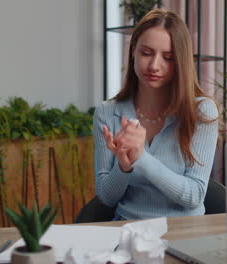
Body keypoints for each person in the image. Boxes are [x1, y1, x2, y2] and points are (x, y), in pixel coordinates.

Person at [93, 9, 219, 220]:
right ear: (133, 49)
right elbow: (106, 197)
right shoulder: (107, 113)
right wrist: (123, 167)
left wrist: (141, 158)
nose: (154, 66)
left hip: (185, 231)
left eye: (168, 58)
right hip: (127, 230)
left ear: (180, 62)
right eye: (146, 53)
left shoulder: (202, 112)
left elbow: (194, 196)